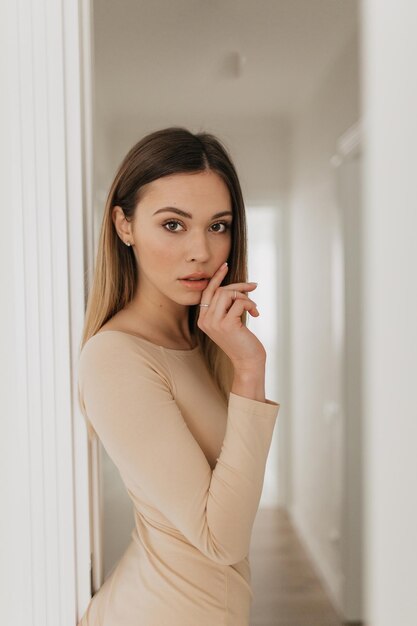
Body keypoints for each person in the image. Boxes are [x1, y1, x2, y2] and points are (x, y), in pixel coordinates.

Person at [77, 127, 280, 626]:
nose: (201, 252)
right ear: (124, 225)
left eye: (218, 226)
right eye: (173, 225)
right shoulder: (116, 356)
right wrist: (251, 371)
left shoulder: (202, 344)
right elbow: (221, 539)